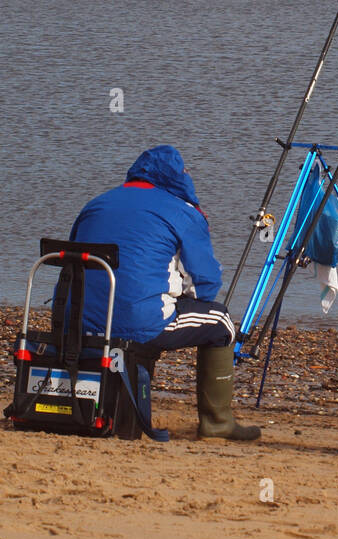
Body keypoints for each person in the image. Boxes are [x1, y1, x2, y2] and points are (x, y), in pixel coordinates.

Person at [64, 144, 259, 441]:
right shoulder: (184, 212)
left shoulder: (97, 204)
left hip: (77, 322)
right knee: (222, 322)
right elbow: (207, 283)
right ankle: (217, 423)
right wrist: (182, 292)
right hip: (140, 324)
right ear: (178, 178)